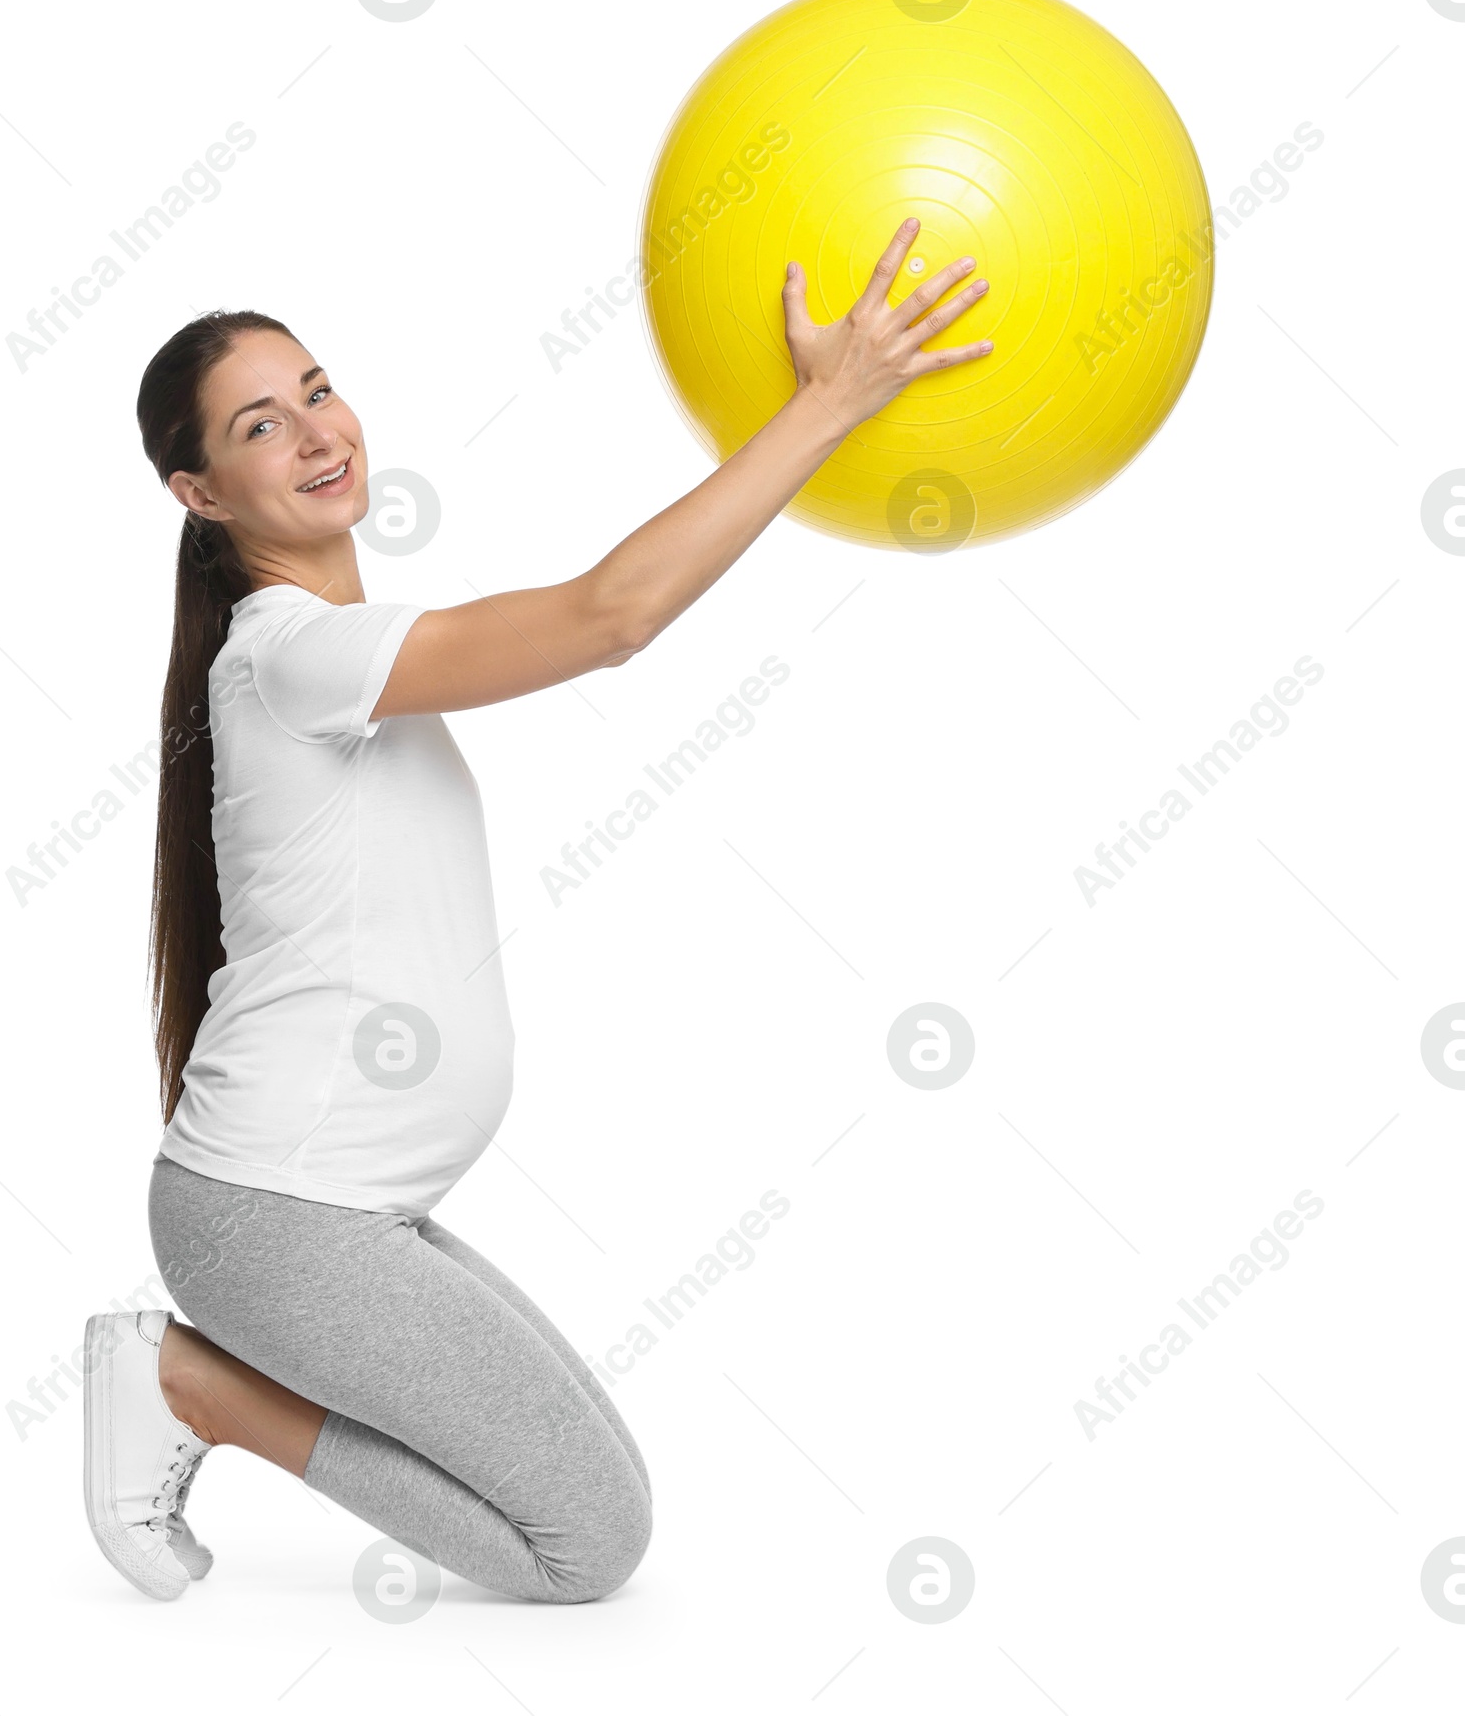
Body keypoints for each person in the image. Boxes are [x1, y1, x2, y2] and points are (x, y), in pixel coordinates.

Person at [80, 220, 990, 1604]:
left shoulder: (327, 661)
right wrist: (829, 407)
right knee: (586, 1546)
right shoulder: (291, 657)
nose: (318, 433)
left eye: (320, 390)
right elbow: (611, 616)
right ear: (200, 493)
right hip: (280, 1220)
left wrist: (814, 413)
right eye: (262, 424)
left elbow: (612, 604)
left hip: (320, 1212)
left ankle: (193, 1374)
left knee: (588, 1484)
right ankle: (183, 1384)